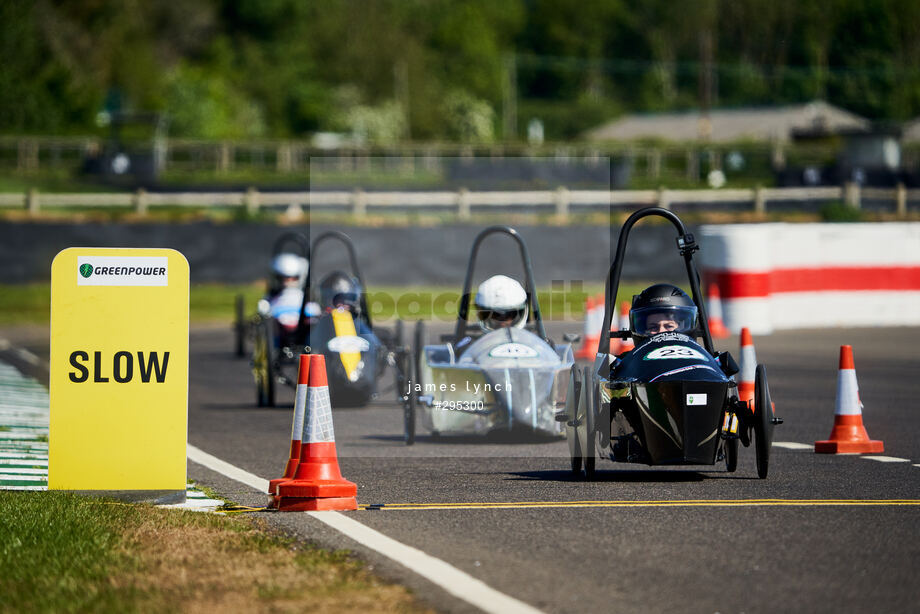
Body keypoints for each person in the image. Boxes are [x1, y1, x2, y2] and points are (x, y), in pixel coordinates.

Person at [629, 283, 698, 342]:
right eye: (653, 327)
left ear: (682, 326)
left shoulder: (699, 356)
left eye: (669, 326)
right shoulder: (631, 357)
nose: (661, 332)